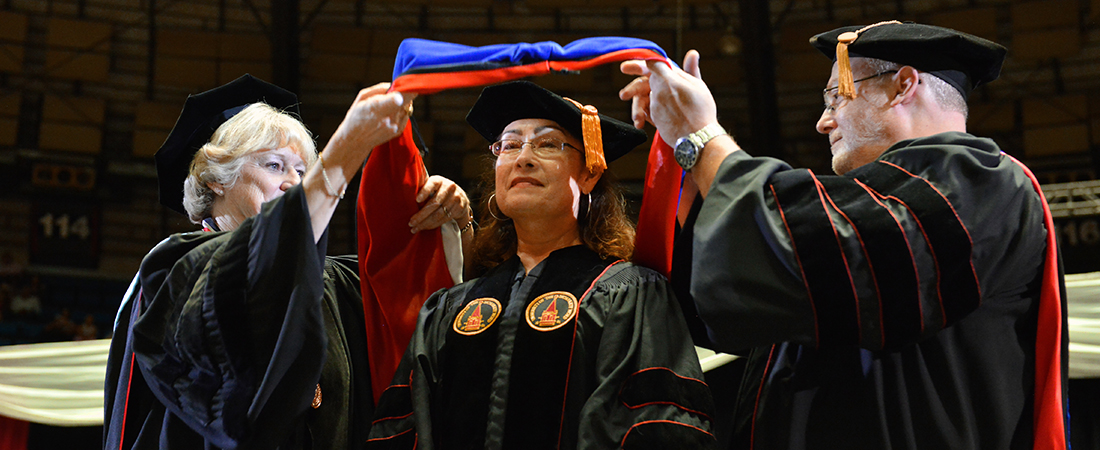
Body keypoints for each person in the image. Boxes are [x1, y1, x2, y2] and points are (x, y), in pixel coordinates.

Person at [619, 22, 1069, 449]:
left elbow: (834, 261)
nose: (823, 121)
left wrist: (701, 139)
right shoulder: (859, 207)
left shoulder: (983, 180)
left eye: (836, 97)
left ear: (904, 85)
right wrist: (682, 153)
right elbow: (736, 303)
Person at [103, 74, 471, 450]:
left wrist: (450, 223)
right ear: (216, 179)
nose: (292, 183)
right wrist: (342, 156)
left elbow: (416, 307)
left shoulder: (334, 282)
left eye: (301, 171)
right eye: (275, 165)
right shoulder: (177, 272)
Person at [366, 80, 717, 450]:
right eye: (509, 145)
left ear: (589, 173)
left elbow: (660, 429)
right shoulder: (450, 308)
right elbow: (403, 428)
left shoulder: (631, 295)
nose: (523, 157)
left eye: (548, 144)